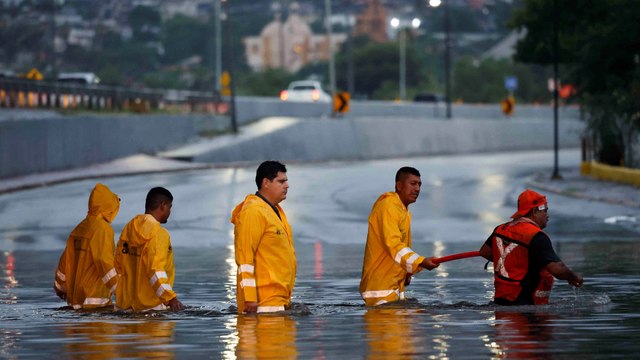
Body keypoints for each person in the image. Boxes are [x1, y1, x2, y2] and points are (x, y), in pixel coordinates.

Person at [479, 189, 583, 305]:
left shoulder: (501, 229)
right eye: (545, 211)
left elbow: (485, 252)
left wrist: (514, 261)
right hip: (527, 306)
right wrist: (574, 277)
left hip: (501, 301)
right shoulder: (536, 236)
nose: (547, 216)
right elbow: (558, 269)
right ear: (534, 211)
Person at [359, 167, 439, 306]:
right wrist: (420, 262)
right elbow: (394, 245)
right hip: (381, 290)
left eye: (419, 184)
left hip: (392, 287)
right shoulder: (388, 206)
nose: (417, 189)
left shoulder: (403, 211)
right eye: (413, 183)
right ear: (399, 185)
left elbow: (401, 249)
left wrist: (407, 273)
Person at [231, 160, 296, 314]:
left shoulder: (275, 211)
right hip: (261, 304)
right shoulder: (253, 212)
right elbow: (245, 258)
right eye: (281, 181)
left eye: (286, 181)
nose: (287, 185)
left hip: (277, 300)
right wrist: (250, 298)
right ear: (266, 182)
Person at [114, 187, 184, 311]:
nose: (169, 212)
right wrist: (170, 299)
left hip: (125, 307)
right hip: (152, 309)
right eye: (170, 207)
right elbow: (156, 270)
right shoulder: (159, 234)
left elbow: (118, 265)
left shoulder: (129, 229)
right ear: (163, 205)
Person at [54, 183, 120, 309]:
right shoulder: (103, 229)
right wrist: (121, 291)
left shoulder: (79, 228)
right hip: (97, 305)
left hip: (75, 301)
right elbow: (104, 261)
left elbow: (64, 262)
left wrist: (60, 287)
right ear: (109, 207)